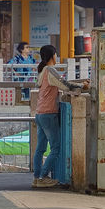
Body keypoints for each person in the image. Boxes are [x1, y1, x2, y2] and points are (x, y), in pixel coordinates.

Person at [32, 44, 88, 188]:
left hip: (40, 113)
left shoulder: (42, 71)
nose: (57, 57)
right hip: (49, 113)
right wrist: (83, 86)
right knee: (56, 147)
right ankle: (43, 176)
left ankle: (37, 177)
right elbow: (65, 85)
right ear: (52, 56)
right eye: (56, 54)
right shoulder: (50, 70)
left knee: (40, 148)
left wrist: (79, 84)